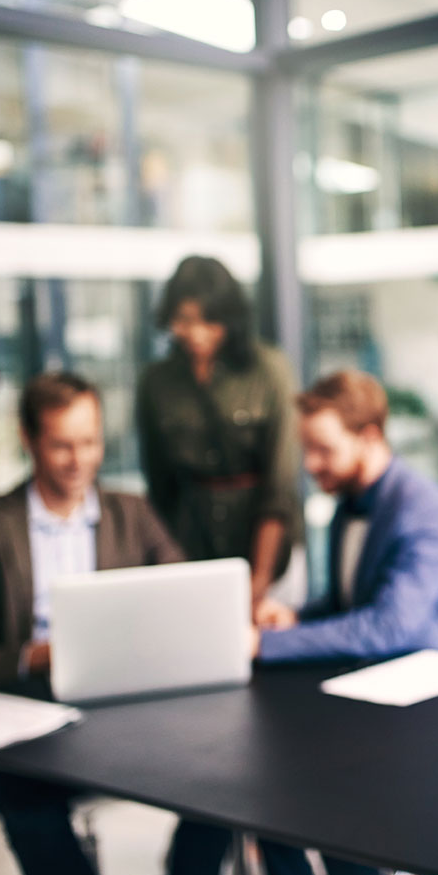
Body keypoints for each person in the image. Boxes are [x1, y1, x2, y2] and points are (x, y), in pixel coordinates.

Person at [166, 370, 438, 875]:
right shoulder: (348, 505)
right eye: (306, 450)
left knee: (313, 786)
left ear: (369, 437)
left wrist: (261, 645)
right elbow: (345, 603)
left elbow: (388, 625)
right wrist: (290, 618)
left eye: (322, 450)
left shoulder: (421, 508)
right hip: (372, 695)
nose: (310, 466)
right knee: (254, 766)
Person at [0, 371, 182, 875]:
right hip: (27, 712)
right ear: (28, 440)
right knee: (22, 797)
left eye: (90, 442)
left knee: (221, 788)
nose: (79, 460)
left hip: (125, 705)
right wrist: (45, 654)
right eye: (62, 445)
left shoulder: (131, 513)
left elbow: (181, 597)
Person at [137, 255, 303, 609]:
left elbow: (280, 486)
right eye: (184, 320)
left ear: (229, 319)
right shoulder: (157, 382)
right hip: (191, 547)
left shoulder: (269, 370)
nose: (196, 333)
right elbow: (160, 488)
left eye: (208, 321)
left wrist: (258, 581)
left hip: (266, 549)